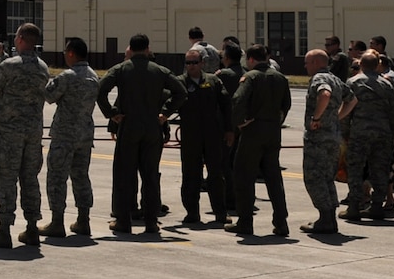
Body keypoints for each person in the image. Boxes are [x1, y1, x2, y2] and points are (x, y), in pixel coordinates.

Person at [95, 34, 185, 235]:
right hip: (153, 126)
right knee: (150, 175)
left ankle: (124, 220)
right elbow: (181, 92)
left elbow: (100, 91)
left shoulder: (121, 69)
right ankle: (151, 221)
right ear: (147, 49)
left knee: (125, 174)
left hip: (129, 125)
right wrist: (166, 113)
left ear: (131, 49)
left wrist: (112, 114)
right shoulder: (159, 71)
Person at [0, 24, 49, 248]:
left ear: (19, 39)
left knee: (6, 179)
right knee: (30, 179)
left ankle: (4, 229)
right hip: (33, 133)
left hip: (10, 132)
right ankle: (31, 228)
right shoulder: (43, 68)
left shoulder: (9, 65)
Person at [227, 45, 290, 237]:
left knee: (244, 176)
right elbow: (286, 105)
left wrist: (238, 123)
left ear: (251, 59)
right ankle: (281, 221)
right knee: (273, 178)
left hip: (253, 131)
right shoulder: (280, 77)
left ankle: (245, 222)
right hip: (273, 131)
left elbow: (238, 99)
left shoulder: (251, 77)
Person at [41, 37, 98, 238]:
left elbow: (48, 96)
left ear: (72, 53)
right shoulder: (93, 76)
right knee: (81, 176)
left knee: (57, 177)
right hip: (85, 134)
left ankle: (57, 222)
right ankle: (84, 220)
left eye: (66, 52)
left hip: (65, 134)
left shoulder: (67, 76)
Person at [177, 45, 231, 225]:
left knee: (216, 175)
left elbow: (226, 106)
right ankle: (192, 213)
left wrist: (229, 130)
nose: (190, 66)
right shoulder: (180, 83)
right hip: (190, 136)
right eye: (187, 63)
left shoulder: (213, 81)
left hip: (212, 135)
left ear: (202, 63)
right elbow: (167, 103)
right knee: (191, 175)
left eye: (194, 62)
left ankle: (220, 213)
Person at [300, 49, 351, 235]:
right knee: (327, 178)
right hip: (333, 137)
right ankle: (328, 218)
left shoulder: (319, 79)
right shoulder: (336, 79)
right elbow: (352, 99)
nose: (305, 66)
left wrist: (316, 118)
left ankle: (325, 218)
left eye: (307, 63)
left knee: (314, 177)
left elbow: (325, 94)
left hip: (318, 138)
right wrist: (337, 118)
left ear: (315, 63)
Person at [343, 52, 394, 221]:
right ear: (376, 65)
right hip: (382, 133)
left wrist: (345, 133)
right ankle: (377, 205)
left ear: (361, 65)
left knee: (355, 169)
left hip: (359, 133)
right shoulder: (386, 85)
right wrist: (393, 134)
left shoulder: (353, 83)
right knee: (380, 169)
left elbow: (346, 110)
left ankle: (353, 206)